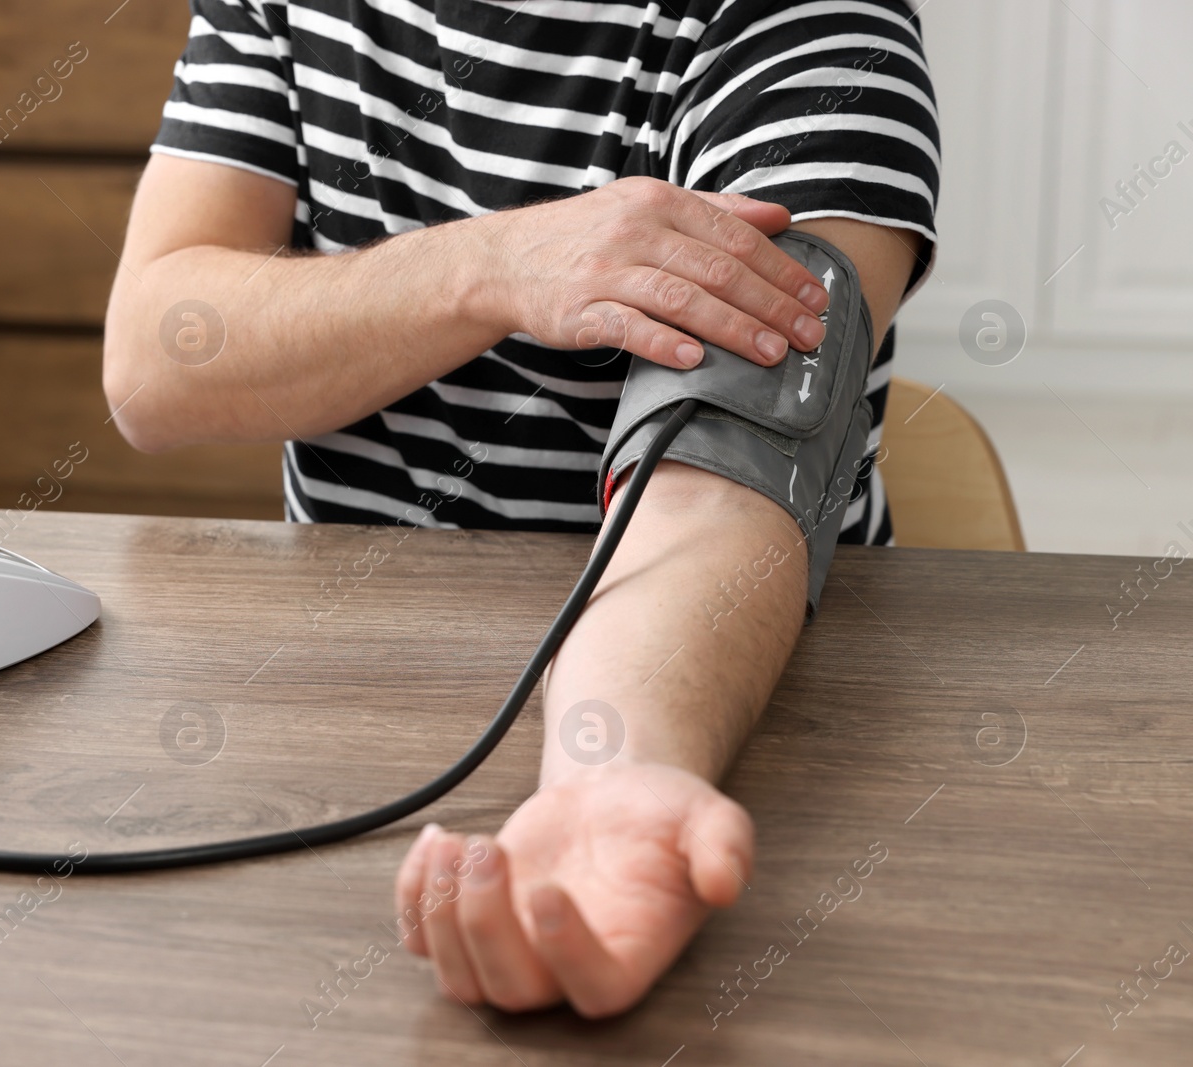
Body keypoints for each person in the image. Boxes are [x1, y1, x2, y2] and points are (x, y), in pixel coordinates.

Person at [104, 0, 938, 1018]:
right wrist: (489, 268)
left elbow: (721, 490)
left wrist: (610, 772)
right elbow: (155, 360)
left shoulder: (816, 25)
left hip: (734, 720)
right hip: (342, 714)